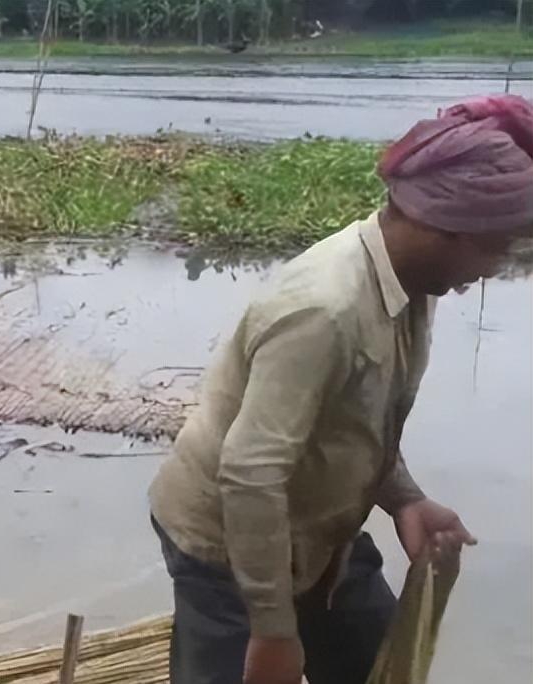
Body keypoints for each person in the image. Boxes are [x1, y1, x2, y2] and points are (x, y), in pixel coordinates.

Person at [148, 94, 532, 684]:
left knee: (378, 664)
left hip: (318, 534)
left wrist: (404, 498)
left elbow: (359, 417)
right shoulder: (324, 310)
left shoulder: (406, 285)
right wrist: (273, 634)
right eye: (492, 249)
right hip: (225, 539)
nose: (490, 271)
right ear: (443, 227)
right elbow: (249, 476)